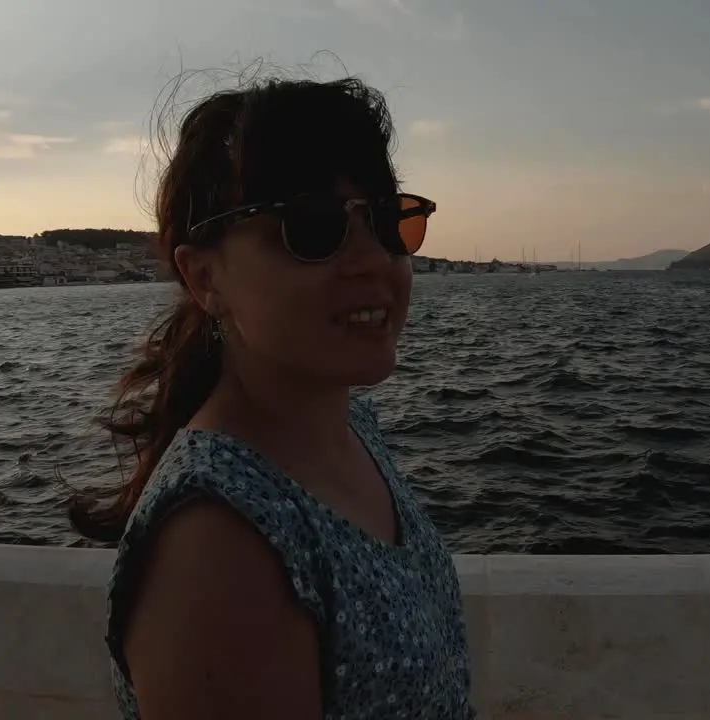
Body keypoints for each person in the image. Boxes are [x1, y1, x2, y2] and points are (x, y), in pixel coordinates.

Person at [69, 76, 476, 719]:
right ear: (206, 277)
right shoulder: (217, 548)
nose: (374, 259)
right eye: (312, 229)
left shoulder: (352, 431)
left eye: (387, 221)